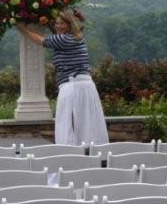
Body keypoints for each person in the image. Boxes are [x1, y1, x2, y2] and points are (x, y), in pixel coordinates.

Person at [17, 10, 109, 146]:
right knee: (88, 121)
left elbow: (40, 40)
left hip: (72, 84)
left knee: (65, 120)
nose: (58, 26)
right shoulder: (79, 36)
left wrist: (22, 29)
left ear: (69, 24)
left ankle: (67, 150)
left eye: (62, 23)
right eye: (57, 23)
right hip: (87, 84)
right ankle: (93, 149)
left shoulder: (63, 39)